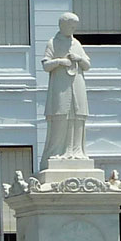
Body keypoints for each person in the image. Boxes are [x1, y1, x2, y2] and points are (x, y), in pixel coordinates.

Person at [41, 11, 91, 163]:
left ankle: (77, 152)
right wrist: (59, 62)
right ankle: (57, 152)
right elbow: (45, 65)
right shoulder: (53, 42)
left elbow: (87, 65)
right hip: (60, 87)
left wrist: (79, 58)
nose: (73, 29)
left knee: (78, 117)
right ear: (62, 25)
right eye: (70, 26)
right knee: (60, 116)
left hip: (77, 85)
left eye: (75, 27)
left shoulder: (76, 44)